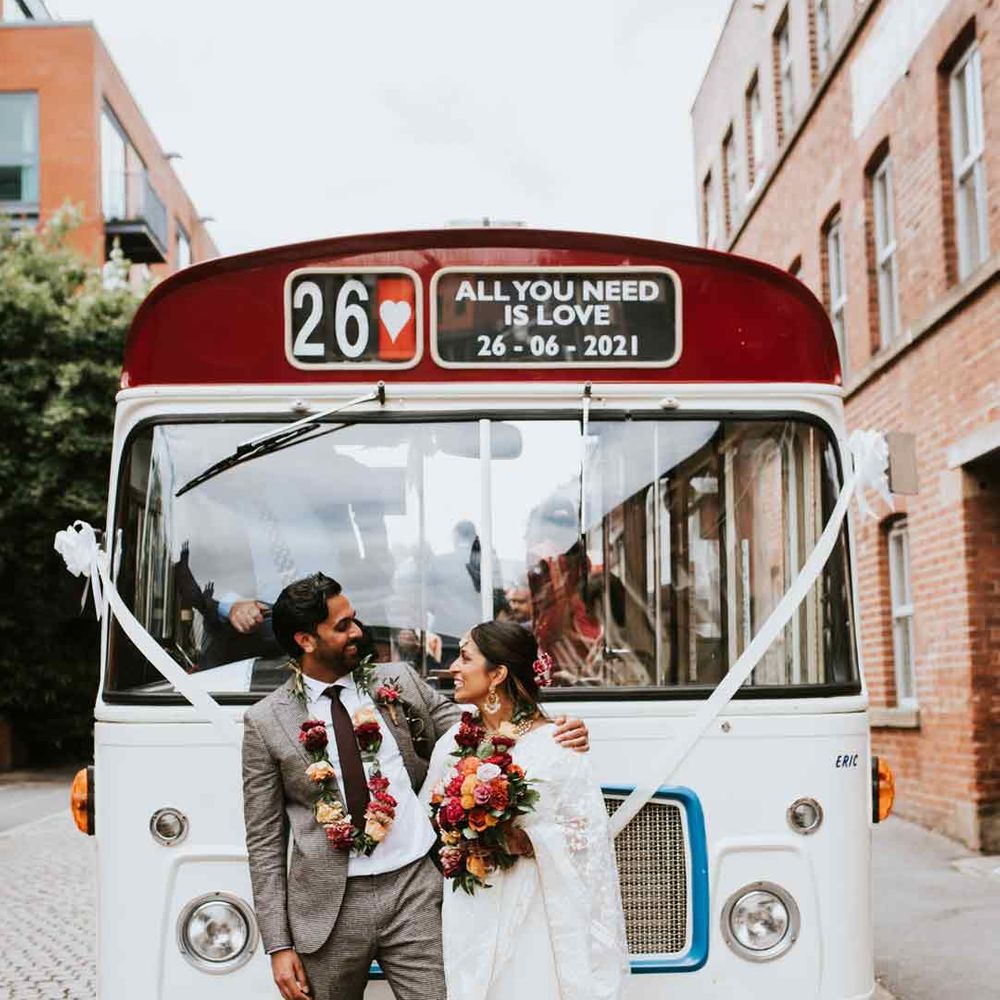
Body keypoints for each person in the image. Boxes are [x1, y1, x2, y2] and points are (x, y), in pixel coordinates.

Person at [241, 572, 590, 1000]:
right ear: (305, 641)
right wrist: (278, 945)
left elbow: (479, 733)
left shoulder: (398, 682)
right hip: (327, 910)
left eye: (354, 619)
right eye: (342, 626)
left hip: (417, 891)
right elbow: (264, 843)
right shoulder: (265, 722)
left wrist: (552, 731)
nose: (358, 632)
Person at [421, 622, 629, 1000]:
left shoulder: (558, 745)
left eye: (465, 658)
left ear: (497, 674)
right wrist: (457, 832)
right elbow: (431, 820)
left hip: (539, 910)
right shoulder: (452, 744)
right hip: (473, 906)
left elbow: (590, 836)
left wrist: (526, 840)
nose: (453, 666)